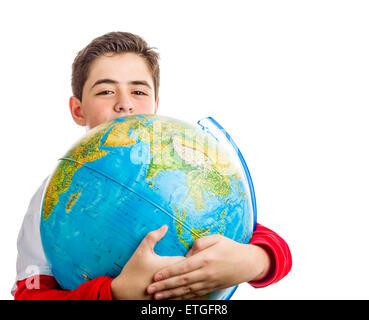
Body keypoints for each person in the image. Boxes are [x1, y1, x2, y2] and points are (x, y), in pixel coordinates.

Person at [12, 32, 292, 300]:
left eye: (138, 91)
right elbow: (29, 293)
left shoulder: (180, 167)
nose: (125, 104)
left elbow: (266, 243)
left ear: (156, 106)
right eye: (106, 91)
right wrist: (115, 293)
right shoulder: (53, 196)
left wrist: (255, 260)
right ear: (77, 109)